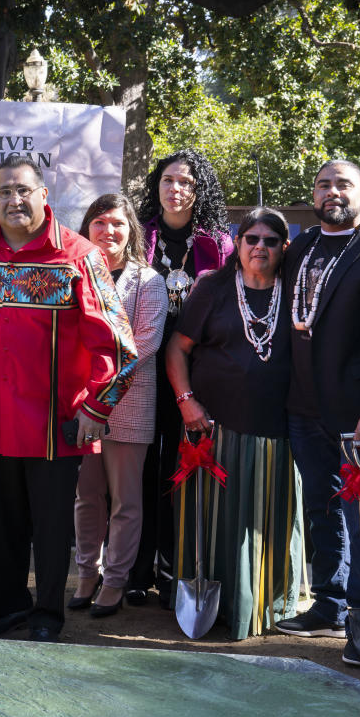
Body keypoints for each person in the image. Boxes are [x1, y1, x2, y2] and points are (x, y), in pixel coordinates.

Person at [0, 157, 137, 643]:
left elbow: (119, 345)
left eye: (23, 190)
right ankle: (7, 610)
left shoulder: (79, 255)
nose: (14, 200)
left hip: (57, 422)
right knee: (3, 526)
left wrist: (96, 407)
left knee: (51, 529)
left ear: (44, 196)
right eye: (4, 192)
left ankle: (48, 614)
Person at [273, 160, 360, 669]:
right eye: (323, 184)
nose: (332, 192)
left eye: (343, 185)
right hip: (303, 407)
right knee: (321, 509)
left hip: (359, 415)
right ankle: (329, 603)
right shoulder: (302, 245)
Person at [166, 207, 303, 639]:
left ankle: (264, 605)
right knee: (215, 522)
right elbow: (176, 349)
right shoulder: (214, 289)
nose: (260, 247)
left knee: (268, 520)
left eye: (271, 240)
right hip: (214, 431)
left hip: (279, 434)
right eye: (252, 239)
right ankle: (216, 604)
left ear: (284, 248)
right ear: (238, 244)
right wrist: (187, 402)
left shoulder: (298, 292)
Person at [129, 150, 233, 608]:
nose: (176, 190)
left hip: (197, 375)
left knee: (183, 471)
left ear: (199, 190)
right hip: (141, 371)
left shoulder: (219, 245)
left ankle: (176, 570)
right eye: (168, 180)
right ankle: (134, 569)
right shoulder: (138, 237)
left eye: (187, 183)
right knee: (141, 472)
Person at [70, 194, 167, 618]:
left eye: (118, 224)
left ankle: (115, 581)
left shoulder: (148, 282)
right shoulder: (74, 273)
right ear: (87, 226)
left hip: (128, 402)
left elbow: (145, 343)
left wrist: (104, 384)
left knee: (125, 502)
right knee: (86, 497)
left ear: (131, 232)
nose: (108, 231)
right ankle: (85, 574)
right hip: (82, 403)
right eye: (100, 222)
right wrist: (87, 394)